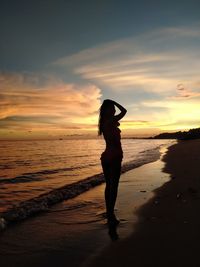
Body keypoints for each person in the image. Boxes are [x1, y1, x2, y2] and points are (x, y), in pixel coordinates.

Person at [98, 99, 127, 225]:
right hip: (114, 156)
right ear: (106, 110)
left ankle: (109, 211)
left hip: (106, 156)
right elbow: (124, 111)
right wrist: (114, 101)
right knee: (113, 186)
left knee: (109, 185)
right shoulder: (110, 121)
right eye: (112, 108)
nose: (114, 110)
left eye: (114, 109)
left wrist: (112, 104)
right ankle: (111, 214)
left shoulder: (104, 122)